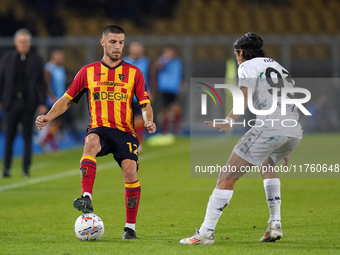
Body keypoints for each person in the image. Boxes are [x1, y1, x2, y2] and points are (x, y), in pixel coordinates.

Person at [180, 32, 303, 245]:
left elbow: (244, 95)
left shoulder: (247, 66)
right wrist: (287, 142)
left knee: (226, 176)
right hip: (293, 128)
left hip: (270, 127)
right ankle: (275, 225)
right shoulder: (277, 65)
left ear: (240, 52)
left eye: (236, 53)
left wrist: (229, 120)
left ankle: (205, 233)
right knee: (266, 165)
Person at [36, 25, 156, 239]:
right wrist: (48, 117)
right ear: (103, 42)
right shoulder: (87, 72)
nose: (117, 46)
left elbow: (145, 104)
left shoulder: (134, 73)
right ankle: (86, 196)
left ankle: (130, 228)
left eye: (121, 42)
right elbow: (66, 100)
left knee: (130, 173)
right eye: (113, 42)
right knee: (90, 142)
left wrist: (149, 121)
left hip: (125, 131)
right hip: (99, 128)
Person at [0, 28, 47, 178]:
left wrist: (42, 102)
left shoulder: (36, 59)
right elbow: (1, 80)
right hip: (11, 104)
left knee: (28, 138)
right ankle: (6, 169)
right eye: (21, 41)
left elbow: (41, 83)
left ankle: (26, 169)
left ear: (30, 43)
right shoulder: (7, 58)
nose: (24, 44)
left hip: (28, 104)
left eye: (26, 42)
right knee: (9, 138)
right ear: (15, 42)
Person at [123, 42, 156, 152]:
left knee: (139, 119)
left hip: (140, 95)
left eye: (138, 48)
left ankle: (138, 142)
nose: (136, 51)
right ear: (130, 49)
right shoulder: (123, 62)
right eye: (134, 48)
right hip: (124, 95)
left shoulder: (147, 63)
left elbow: (152, 78)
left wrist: (152, 92)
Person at [156, 46, 183, 134]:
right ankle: (166, 130)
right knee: (165, 109)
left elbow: (179, 73)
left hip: (174, 88)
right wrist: (165, 60)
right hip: (164, 87)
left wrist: (181, 82)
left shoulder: (177, 62)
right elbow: (157, 67)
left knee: (176, 108)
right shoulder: (162, 60)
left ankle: (176, 129)